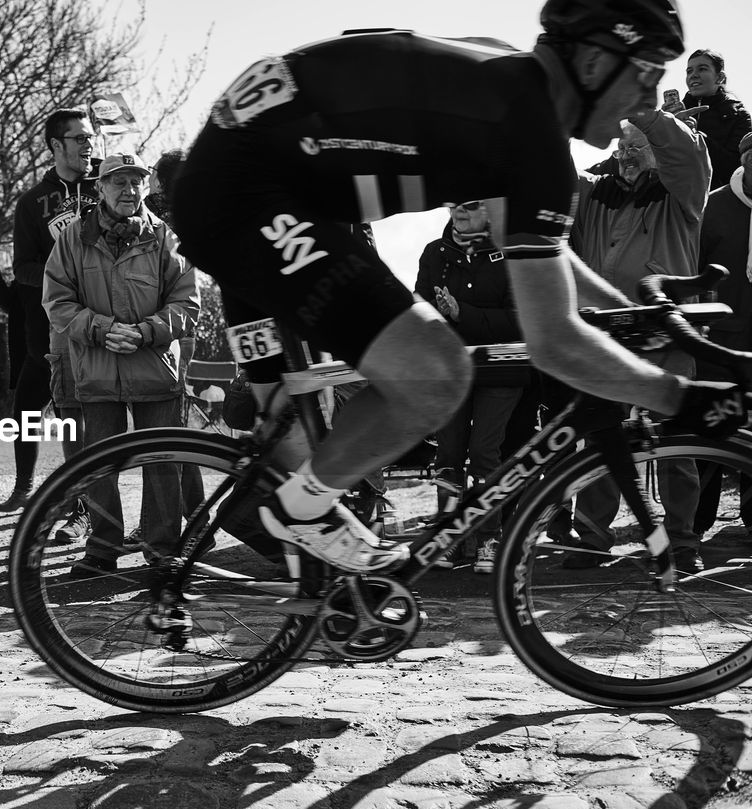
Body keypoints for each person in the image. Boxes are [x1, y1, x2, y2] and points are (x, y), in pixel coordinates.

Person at [170, 1, 746, 575]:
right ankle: (299, 514)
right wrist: (684, 400)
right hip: (249, 195)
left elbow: (545, 257)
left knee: (290, 432)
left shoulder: (515, 90)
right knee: (435, 372)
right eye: (647, 75)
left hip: (248, 172)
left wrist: (629, 315)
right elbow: (554, 341)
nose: (648, 101)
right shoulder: (530, 133)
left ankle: (321, 583)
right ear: (595, 62)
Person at [563, 108, 711, 571]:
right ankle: (591, 535)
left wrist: (641, 109)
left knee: (677, 442)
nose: (627, 156)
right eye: (622, 147)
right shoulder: (593, 193)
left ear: (655, 153)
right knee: (598, 436)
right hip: (606, 334)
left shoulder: (680, 195)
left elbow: (687, 154)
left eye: (637, 148)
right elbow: (557, 172)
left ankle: (683, 541)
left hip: (667, 332)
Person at [44, 153, 199, 576]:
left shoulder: (166, 237)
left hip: (154, 366)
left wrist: (146, 331)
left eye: (136, 182)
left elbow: (187, 302)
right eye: (118, 182)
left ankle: (163, 550)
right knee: (98, 463)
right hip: (95, 367)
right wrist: (100, 328)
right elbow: (57, 303)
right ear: (100, 188)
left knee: (162, 463)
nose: (129, 190)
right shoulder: (71, 240)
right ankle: (102, 548)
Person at [414, 201, 525, 573]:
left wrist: (463, 314)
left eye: (472, 204)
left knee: (484, 453)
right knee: (448, 453)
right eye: (454, 203)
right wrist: (436, 314)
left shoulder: (510, 254)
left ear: (490, 211)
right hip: (449, 372)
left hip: (501, 372)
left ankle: (489, 538)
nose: (460, 209)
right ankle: (450, 538)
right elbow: (422, 312)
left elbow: (518, 321)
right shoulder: (433, 252)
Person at [6, 109, 100, 526]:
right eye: (79, 138)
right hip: (48, 332)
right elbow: (22, 268)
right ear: (56, 146)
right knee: (34, 412)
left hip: (104, 325)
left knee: (93, 423)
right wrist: (58, 272)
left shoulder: (110, 184)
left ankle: (97, 515)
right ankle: (28, 486)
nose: (88, 144)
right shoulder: (30, 203)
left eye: (91, 137)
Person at [694, 132, 752, 536]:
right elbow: (693, 269)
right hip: (723, 339)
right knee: (713, 427)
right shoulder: (713, 206)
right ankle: (693, 526)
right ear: (744, 159)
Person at [682, 49, 752, 189]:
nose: (693, 75)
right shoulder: (676, 113)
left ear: (719, 77)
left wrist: (696, 138)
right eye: (689, 71)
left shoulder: (738, 116)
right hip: (674, 201)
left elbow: (737, 169)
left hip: (716, 202)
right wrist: (659, 127)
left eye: (702, 69)